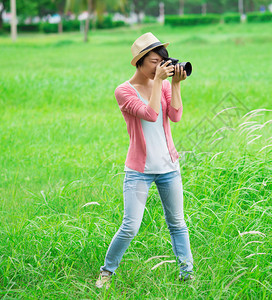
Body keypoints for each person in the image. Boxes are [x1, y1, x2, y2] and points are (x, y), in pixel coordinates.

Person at [95, 32, 194, 289]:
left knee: (178, 224)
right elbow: (149, 114)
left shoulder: (162, 85)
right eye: (154, 61)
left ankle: (187, 274)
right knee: (130, 226)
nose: (160, 66)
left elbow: (175, 117)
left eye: (163, 60)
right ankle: (107, 272)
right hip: (139, 170)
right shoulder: (123, 91)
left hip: (169, 167)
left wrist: (174, 84)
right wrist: (159, 83)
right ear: (139, 61)